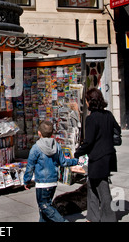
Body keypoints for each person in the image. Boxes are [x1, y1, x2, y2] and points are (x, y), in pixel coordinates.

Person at [74, 88, 120, 222]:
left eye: (87, 100)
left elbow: (88, 141)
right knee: (92, 186)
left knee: (102, 189)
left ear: (90, 101)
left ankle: (109, 218)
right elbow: (116, 130)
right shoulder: (108, 115)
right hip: (107, 155)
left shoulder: (91, 118)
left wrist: (78, 153)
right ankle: (92, 216)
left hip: (98, 158)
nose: (86, 103)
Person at [23, 120, 78, 222]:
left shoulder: (36, 148)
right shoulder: (56, 146)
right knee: (43, 209)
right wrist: (75, 161)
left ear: (39, 133)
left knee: (44, 206)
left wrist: (26, 180)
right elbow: (63, 162)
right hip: (53, 181)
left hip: (42, 182)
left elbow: (30, 167)